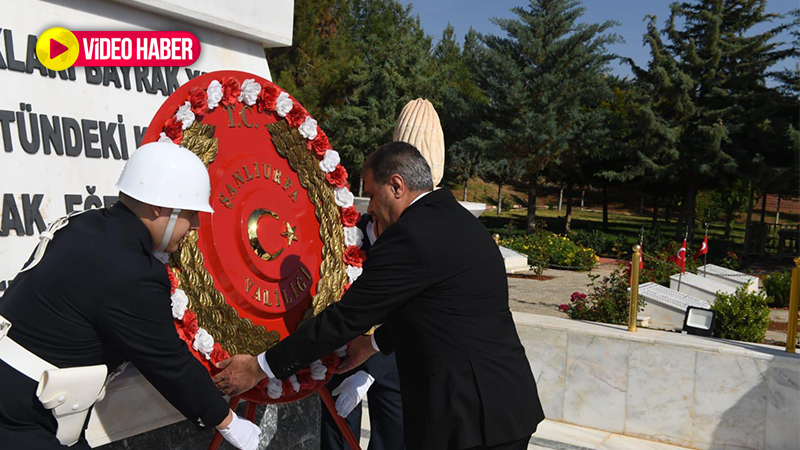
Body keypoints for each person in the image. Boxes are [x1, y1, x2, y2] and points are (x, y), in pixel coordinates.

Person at [214, 141, 545, 450]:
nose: (369, 209)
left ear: (397, 186)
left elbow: (344, 318)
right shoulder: (456, 219)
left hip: (466, 418)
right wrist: (371, 345)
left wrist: (260, 367)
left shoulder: (411, 236)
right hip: (503, 404)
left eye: (372, 195)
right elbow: (435, 313)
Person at [0, 142, 260, 450]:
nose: (194, 225)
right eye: (190, 213)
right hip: (21, 418)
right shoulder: (133, 271)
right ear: (160, 207)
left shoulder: (84, 223)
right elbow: (168, 363)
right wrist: (229, 423)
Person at [321, 214, 404, 450]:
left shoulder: (414, 239)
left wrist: (369, 372)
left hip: (394, 353)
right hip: (344, 352)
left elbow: (412, 315)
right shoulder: (345, 234)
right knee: (339, 434)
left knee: (394, 435)